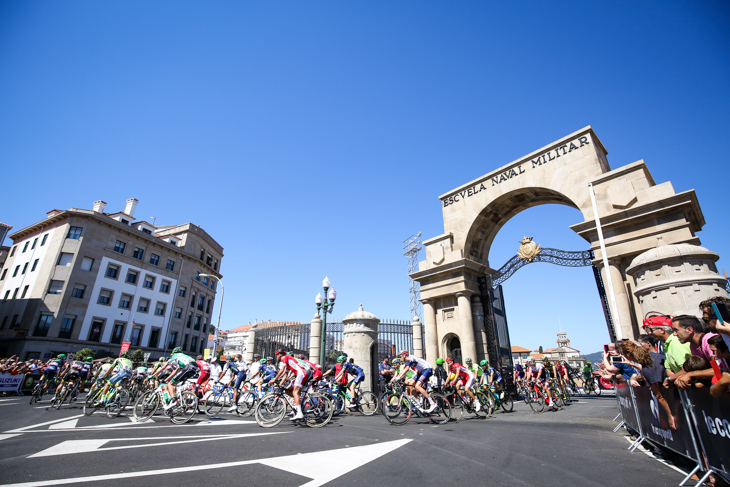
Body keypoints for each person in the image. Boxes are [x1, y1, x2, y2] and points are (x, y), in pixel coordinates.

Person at [642, 315, 691, 385]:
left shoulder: (675, 343)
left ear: (662, 330)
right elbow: (668, 370)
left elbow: (687, 369)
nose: (649, 333)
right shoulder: (667, 344)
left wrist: (669, 379)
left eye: (652, 330)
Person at [672, 315, 717, 390]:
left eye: (676, 330)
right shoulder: (692, 346)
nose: (674, 334)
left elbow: (718, 369)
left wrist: (690, 374)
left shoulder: (709, 341)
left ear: (689, 330)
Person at [272, 349, 311, 420]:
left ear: (280, 355)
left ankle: (299, 413)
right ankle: (298, 403)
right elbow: (285, 375)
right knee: (287, 390)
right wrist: (280, 384)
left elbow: (281, 370)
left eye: (277, 356)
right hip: (300, 374)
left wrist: (274, 379)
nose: (276, 357)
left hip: (301, 374)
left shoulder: (286, 357)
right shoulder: (287, 362)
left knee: (295, 392)